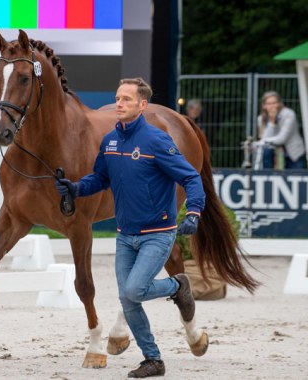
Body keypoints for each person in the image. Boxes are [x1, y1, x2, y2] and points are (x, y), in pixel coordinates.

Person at [55, 78, 206, 378]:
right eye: (117, 98)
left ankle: (178, 286)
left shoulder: (158, 141)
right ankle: (153, 360)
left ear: (142, 105)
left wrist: (194, 211)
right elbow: (100, 178)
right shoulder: (110, 140)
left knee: (135, 290)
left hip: (158, 233)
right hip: (125, 235)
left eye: (126, 99)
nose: (119, 104)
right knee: (128, 297)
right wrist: (75, 188)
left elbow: (190, 177)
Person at [256, 91, 306, 169]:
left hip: (293, 154)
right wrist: (272, 122)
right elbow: (264, 142)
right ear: (264, 106)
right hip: (272, 156)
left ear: (279, 103)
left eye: (274, 103)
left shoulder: (289, 114)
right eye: (268, 104)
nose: (272, 106)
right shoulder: (261, 118)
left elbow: (282, 138)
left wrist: (265, 140)